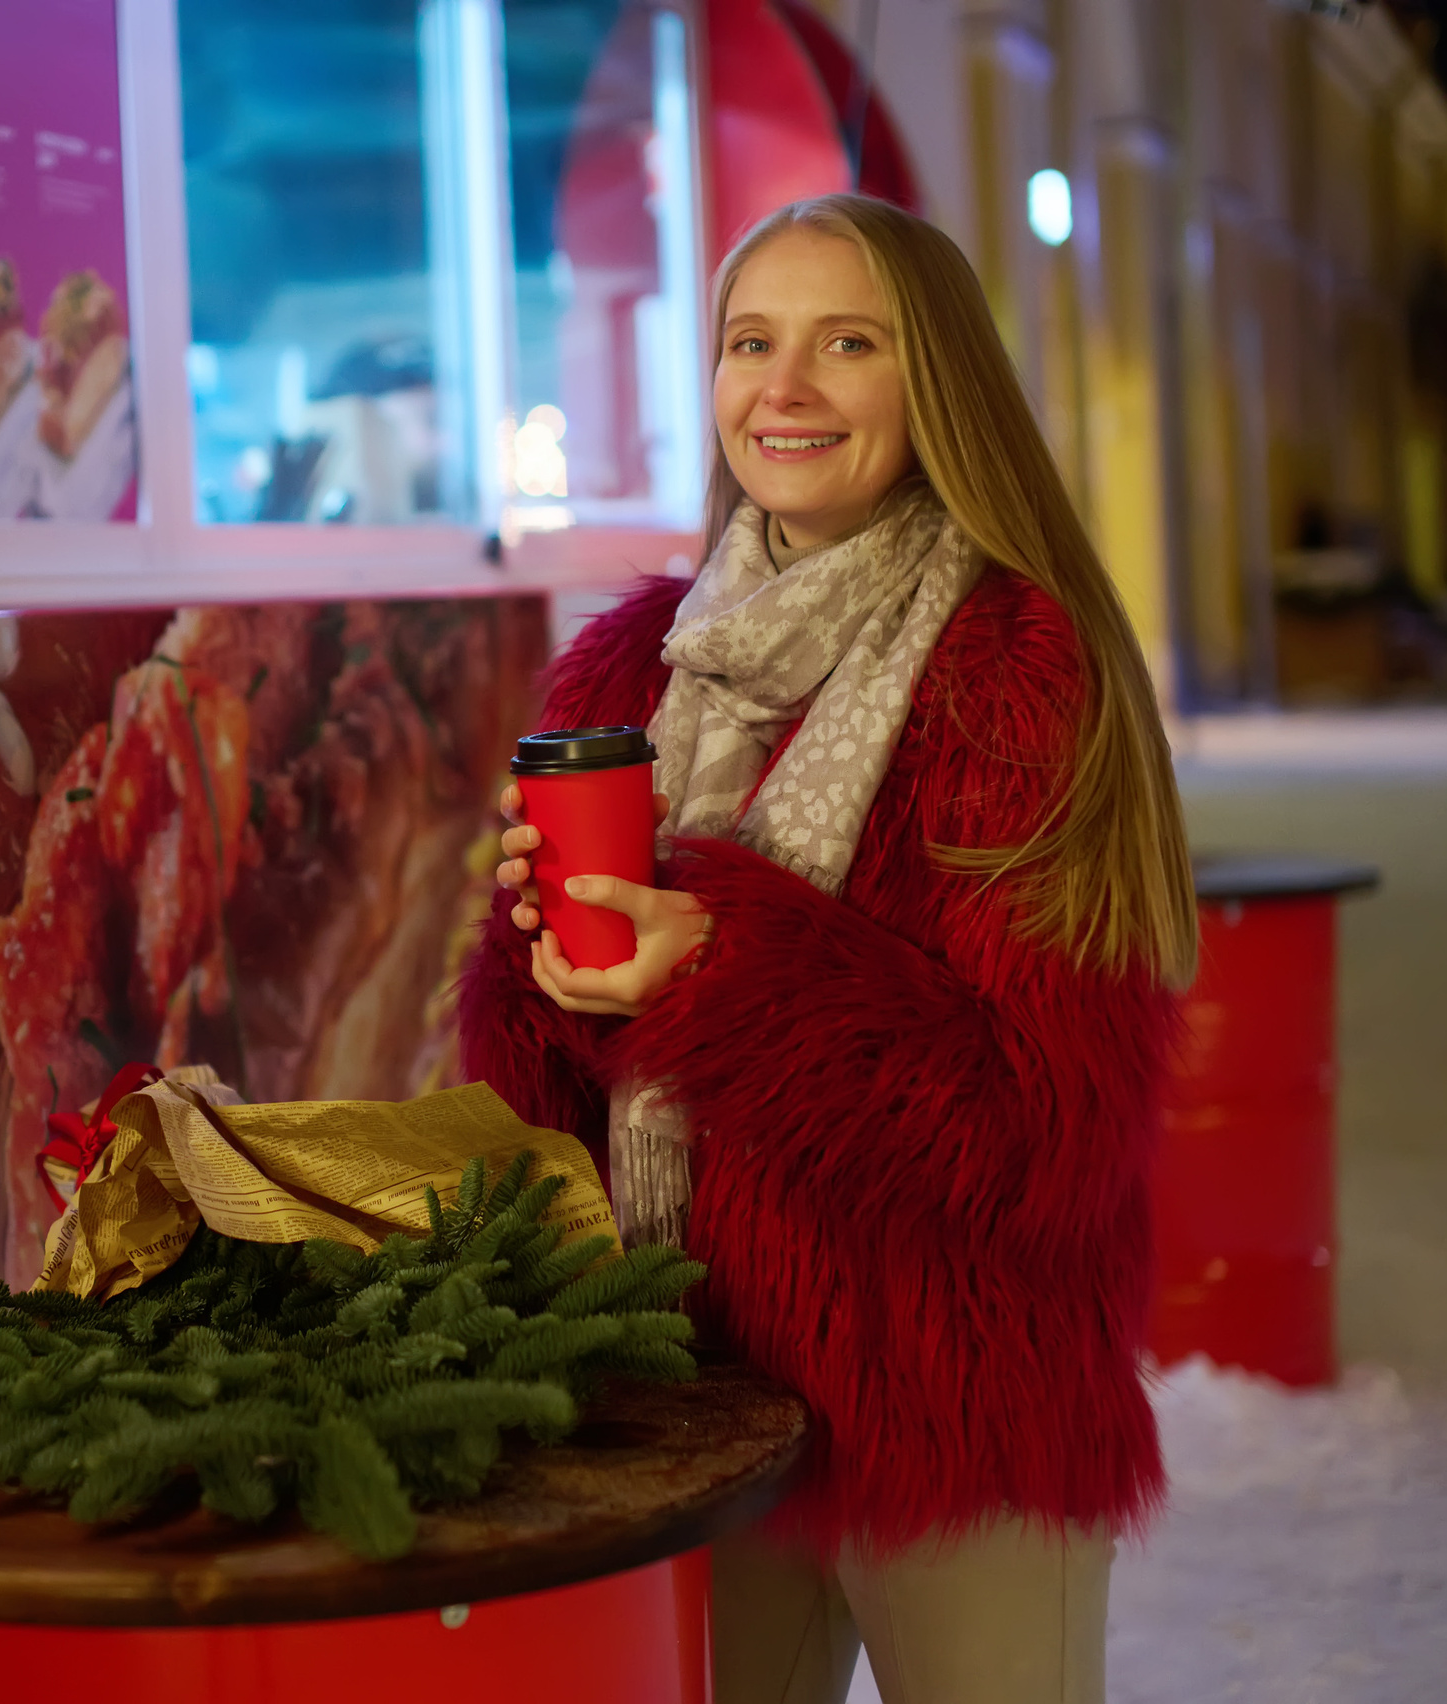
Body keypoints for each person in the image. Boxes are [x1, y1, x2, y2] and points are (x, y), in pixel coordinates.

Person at [458, 194, 1196, 1704]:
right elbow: (559, 1108)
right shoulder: (633, 668)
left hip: (947, 1388)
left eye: (845, 343)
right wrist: (540, 958)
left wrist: (716, 966)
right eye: (751, 342)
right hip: (697, 1373)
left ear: (935, 386)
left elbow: (1047, 1129)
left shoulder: (1024, 668)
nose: (782, 389)